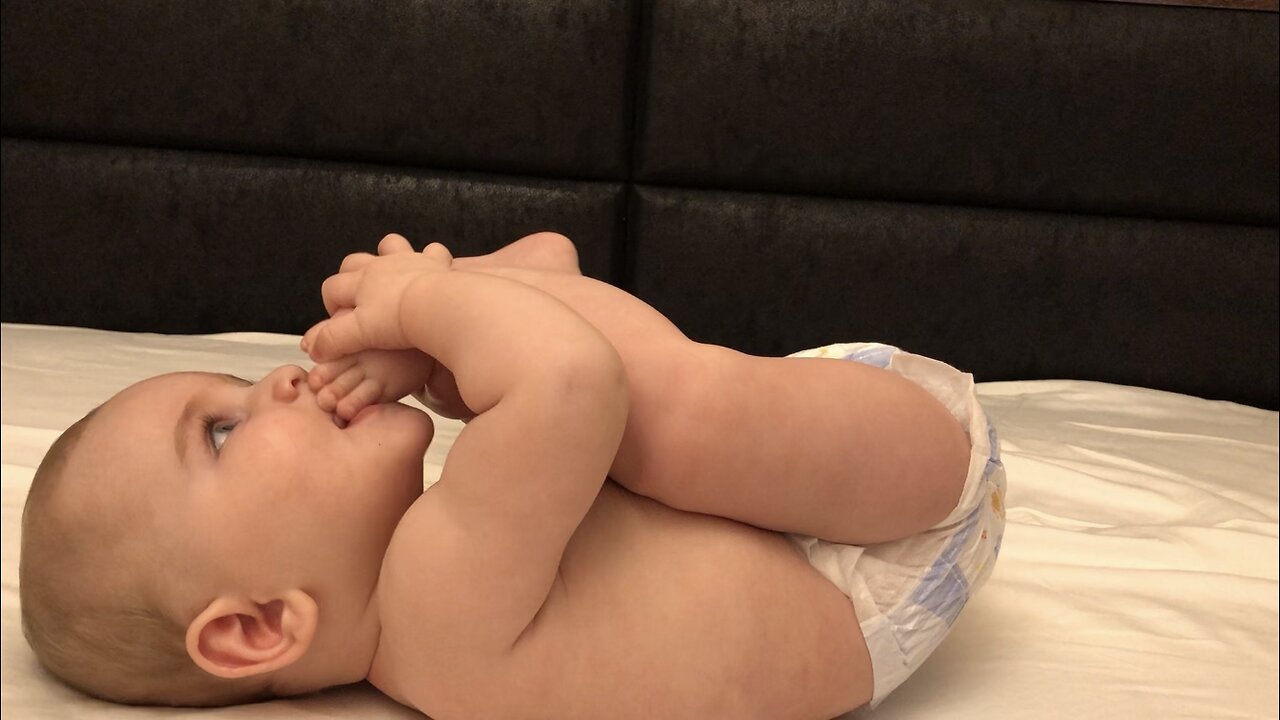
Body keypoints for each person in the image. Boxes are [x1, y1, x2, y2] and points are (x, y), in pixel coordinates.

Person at [19, 232, 1006, 718]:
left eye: (237, 380)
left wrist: (441, 337)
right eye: (224, 432)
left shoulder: (430, 574)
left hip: (814, 488)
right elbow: (572, 376)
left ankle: (495, 289)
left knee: (595, 412)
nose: (277, 379)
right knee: (649, 416)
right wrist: (425, 309)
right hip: (884, 538)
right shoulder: (430, 612)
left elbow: (557, 342)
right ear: (257, 626)